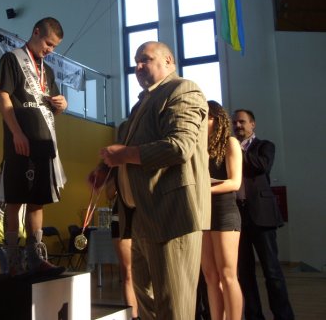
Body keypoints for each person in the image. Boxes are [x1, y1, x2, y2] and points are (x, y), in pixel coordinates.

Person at [99, 41, 210, 319]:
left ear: (169, 60)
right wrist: (106, 170)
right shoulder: (142, 103)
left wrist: (124, 154)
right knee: (146, 304)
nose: (137, 67)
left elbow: (179, 147)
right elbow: (132, 152)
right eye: (135, 61)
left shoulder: (183, 89)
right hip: (140, 216)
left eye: (145, 59)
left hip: (171, 215)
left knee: (174, 307)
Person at [0, 17, 68, 275]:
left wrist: (61, 105)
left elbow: (50, 108)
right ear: (36, 32)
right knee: (14, 200)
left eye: (54, 46)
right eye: (48, 43)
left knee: (38, 202)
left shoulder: (48, 71)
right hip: (20, 143)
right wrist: (16, 132)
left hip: (44, 145)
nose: (50, 50)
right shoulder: (12, 59)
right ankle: (13, 260)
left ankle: (36, 257)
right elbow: (3, 95)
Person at [232, 109, 294, 320]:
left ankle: (283, 316)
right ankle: (254, 316)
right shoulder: (228, 149)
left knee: (272, 272)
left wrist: (235, 151)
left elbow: (262, 166)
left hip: (262, 216)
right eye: (235, 122)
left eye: (242, 122)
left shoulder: (265, 146)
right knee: (245, 273)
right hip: (237, 216)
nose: (237, 126)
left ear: (253, 124)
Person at [200, 101, 243, 320]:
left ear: (216, 119)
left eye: (203, 117)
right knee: (210, 276)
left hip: (224, 211)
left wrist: (202, 189)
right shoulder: (198, 147)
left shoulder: (230, 143)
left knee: (228, 275)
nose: (199, 122)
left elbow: (235, 182)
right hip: (202, 212)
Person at [106, 179, 139, 320]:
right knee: (128, 272)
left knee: (150, 272)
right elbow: (109, 194)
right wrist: (118, 173)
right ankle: (134, 317)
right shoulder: (115, 168)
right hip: (121, 217)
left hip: (147, 215)